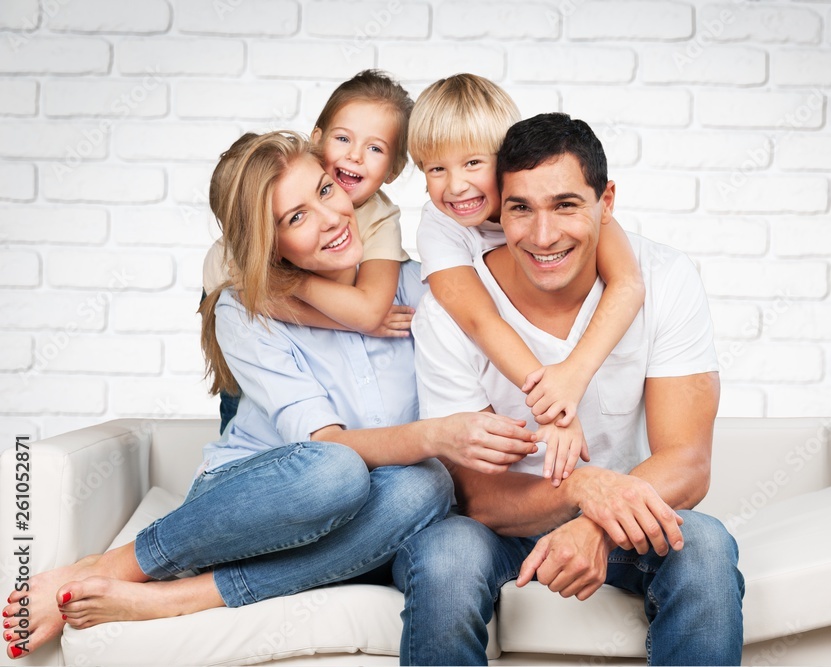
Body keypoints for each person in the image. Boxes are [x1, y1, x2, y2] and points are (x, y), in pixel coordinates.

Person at [2, 131, 538, 661]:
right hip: (258, 505)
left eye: (326, 191)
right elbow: (331, 445)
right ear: (268, 241)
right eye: (295, 218)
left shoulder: (422, 287)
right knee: (336, 470)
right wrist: (433, 435)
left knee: (426, 486)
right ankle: (108, 568)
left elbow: (523, 265)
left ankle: (181, 599)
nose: (330, 218)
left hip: (378, 519)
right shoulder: (246, 311)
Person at [394, 113, 745, 666]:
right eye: (521, 208)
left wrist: (596, 527)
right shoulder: (448, 311)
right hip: (506, 526)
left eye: (565, 205)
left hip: (625, 518)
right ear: (496, 208)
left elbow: (688, 461)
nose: (543, 235)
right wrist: (582, 490)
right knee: (446, 554)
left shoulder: (666, 277)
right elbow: (479, 498)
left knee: (702, 546)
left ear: (606, 202)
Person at [408, 74, 646, 485]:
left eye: (473, 163)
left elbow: (628, 284)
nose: (456, 185)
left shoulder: (562, 198)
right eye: (436, 169)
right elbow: (480, 319)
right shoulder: (439, 227)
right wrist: (553, 406)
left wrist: (572, 376)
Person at [203, 69, 416, 432]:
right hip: (257, 350)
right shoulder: (251, 227)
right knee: (245, 410)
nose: (355, 156)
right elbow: (245, 298)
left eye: (375, 148)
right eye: (343, 138)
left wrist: (291, 283)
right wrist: (294, 287)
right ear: (317, 141)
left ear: (394, 170)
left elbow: (368, 312)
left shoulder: (379, 217)